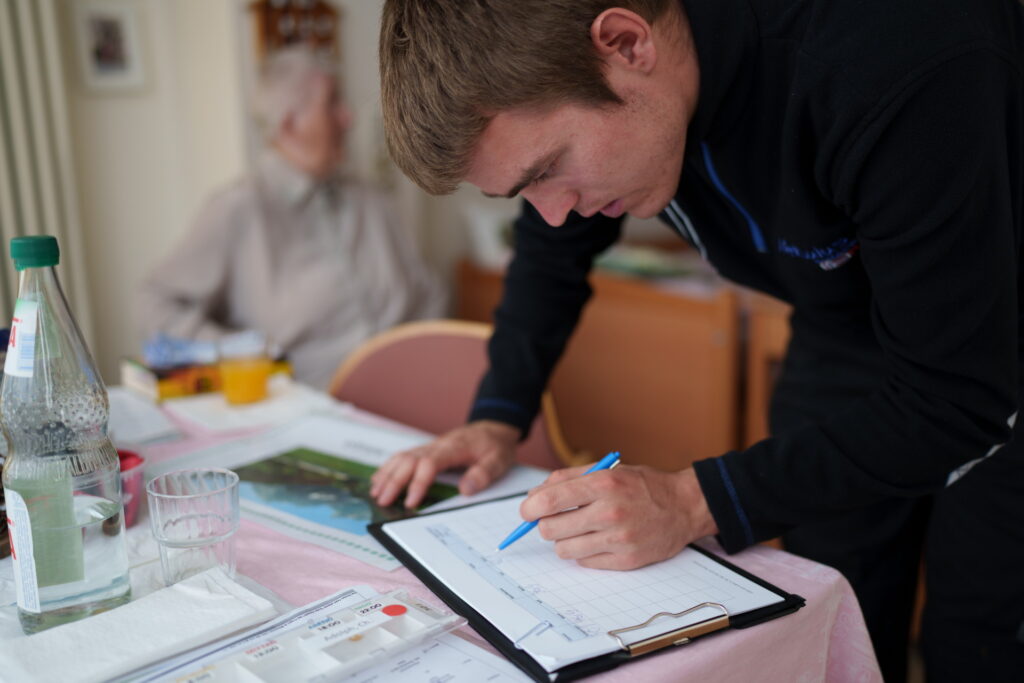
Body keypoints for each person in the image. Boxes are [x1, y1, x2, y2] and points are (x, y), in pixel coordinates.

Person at [370, 1, 1024, 681]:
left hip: (997, 323)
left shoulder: (898, 57)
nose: (555, 209)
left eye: (547, 169)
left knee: (979, 627)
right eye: (523, 192)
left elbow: (958, 399)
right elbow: (550, 252)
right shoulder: (615, 101)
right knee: (835, 595)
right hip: (840, 319)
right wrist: (498, 414)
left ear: (627, 44)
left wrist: (689, 500)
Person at [138, 45, 446, 390]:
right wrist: (242, 354)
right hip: (316, 409)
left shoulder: (371, 199)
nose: (349, 117)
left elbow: (429, 295)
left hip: (413, 390)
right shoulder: (239, 209)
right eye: (332, 103)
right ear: (288, 123)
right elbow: (155, 304)